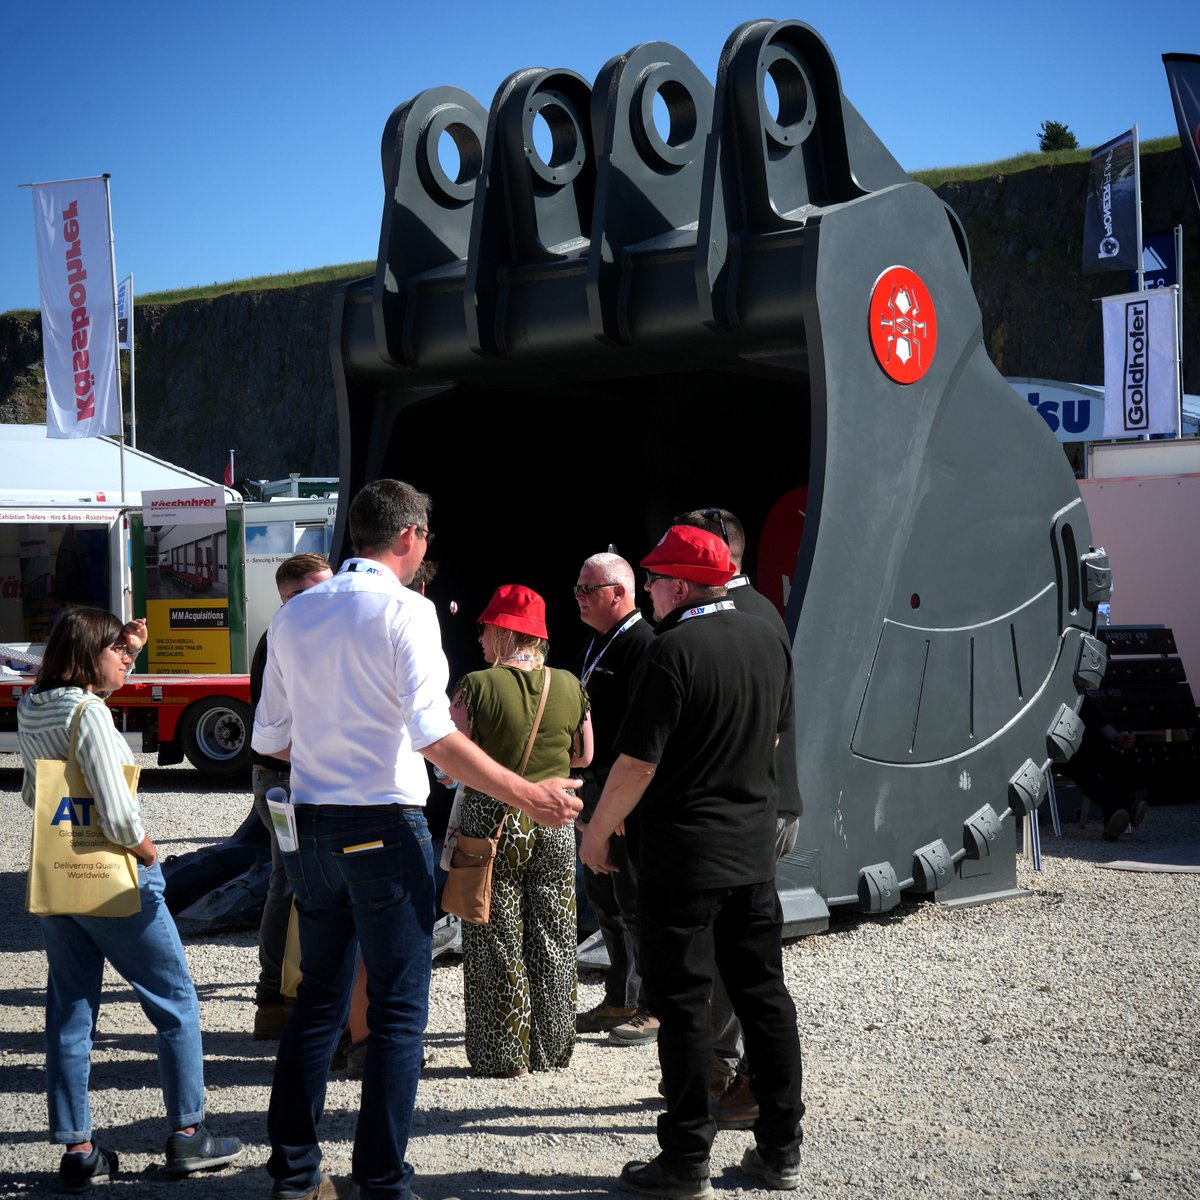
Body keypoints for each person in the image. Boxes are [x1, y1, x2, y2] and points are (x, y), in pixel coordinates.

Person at [253, 479, 582, 1200]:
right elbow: (435, 739)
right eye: (426, 534)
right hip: (381, 820)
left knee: (318, 999)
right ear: (408, 537)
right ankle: (380, 1180)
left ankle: (295, 1173)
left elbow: (270, 738)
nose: (427, 545)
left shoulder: (295, 614)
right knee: (400, 1009)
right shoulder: (410, 611)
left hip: (310, 822)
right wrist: (530, 794)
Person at [580, 526, 805, 1197]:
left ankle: (684, 1161)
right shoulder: (769, 635)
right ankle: (781, 1149)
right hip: (751, 852)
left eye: (652, 579)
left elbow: (638, 761)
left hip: (682, 857)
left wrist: (599, 832)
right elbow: (770, 734)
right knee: (764, 997)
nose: (647, 589)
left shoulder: (671, 650)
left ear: (680, 584)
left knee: (681, 1006)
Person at [17, 607, 244, 1193]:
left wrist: (133, 648)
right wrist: (149, 853)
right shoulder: (90, 713)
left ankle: (78, 1148)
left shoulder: (33, 706)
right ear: (89, 654)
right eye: (116, 649)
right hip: (115, 879)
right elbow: (117, 814)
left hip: (60, 875)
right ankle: (190, 1135)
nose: (125, 658)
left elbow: (30, 795)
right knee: (175, 1003)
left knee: (70, 1012)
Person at [673, 506, 803, 1127]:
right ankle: (729, 1076)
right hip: (759, 806)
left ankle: (731, 1076)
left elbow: (770, 732)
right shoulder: (762, 618)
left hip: (741, 813)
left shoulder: (734, 621)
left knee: (739, 967)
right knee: (752, 970)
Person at [447, 584, 592, 1077]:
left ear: (506, 633)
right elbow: (585, 755)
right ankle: (553, 1049)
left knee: (495, 936)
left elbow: (450, 759)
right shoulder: (571, 684)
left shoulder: (476, 684)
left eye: (487, 628)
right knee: (554, 933)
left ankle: (503, 1054)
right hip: (555, 821)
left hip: (494, 821)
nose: (481, 637)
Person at [570, 552, 656, 1044]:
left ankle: (650, 1002)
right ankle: (620, 994)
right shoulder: (598, 643)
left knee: (633, 902)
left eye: (587, 589)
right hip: (594, 794)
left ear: (617, 593)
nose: (578, 598)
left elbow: (637, 736)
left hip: (622, 801)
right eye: (577, 589)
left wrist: (619, 804)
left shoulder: (642, 646)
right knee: (605, 898)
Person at [250, 552, 333, 1041]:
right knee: (289, 883)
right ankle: (273, 998)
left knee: (295, 881)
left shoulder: (295, 633)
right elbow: (278, 729)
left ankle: (285, 995)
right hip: (284, 781)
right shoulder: (283, 636)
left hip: (292, 778)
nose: (331, 599)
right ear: (293, 596)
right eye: (319, 590)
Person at [1063, 694, 1148, 840]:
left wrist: (1117, 738)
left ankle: (1114, 821)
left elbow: (1101, 724)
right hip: (1061, 753)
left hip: (1088, 748)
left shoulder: (1079, 695)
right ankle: (1129, 807)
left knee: (1113, 758)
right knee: (1082, 769)